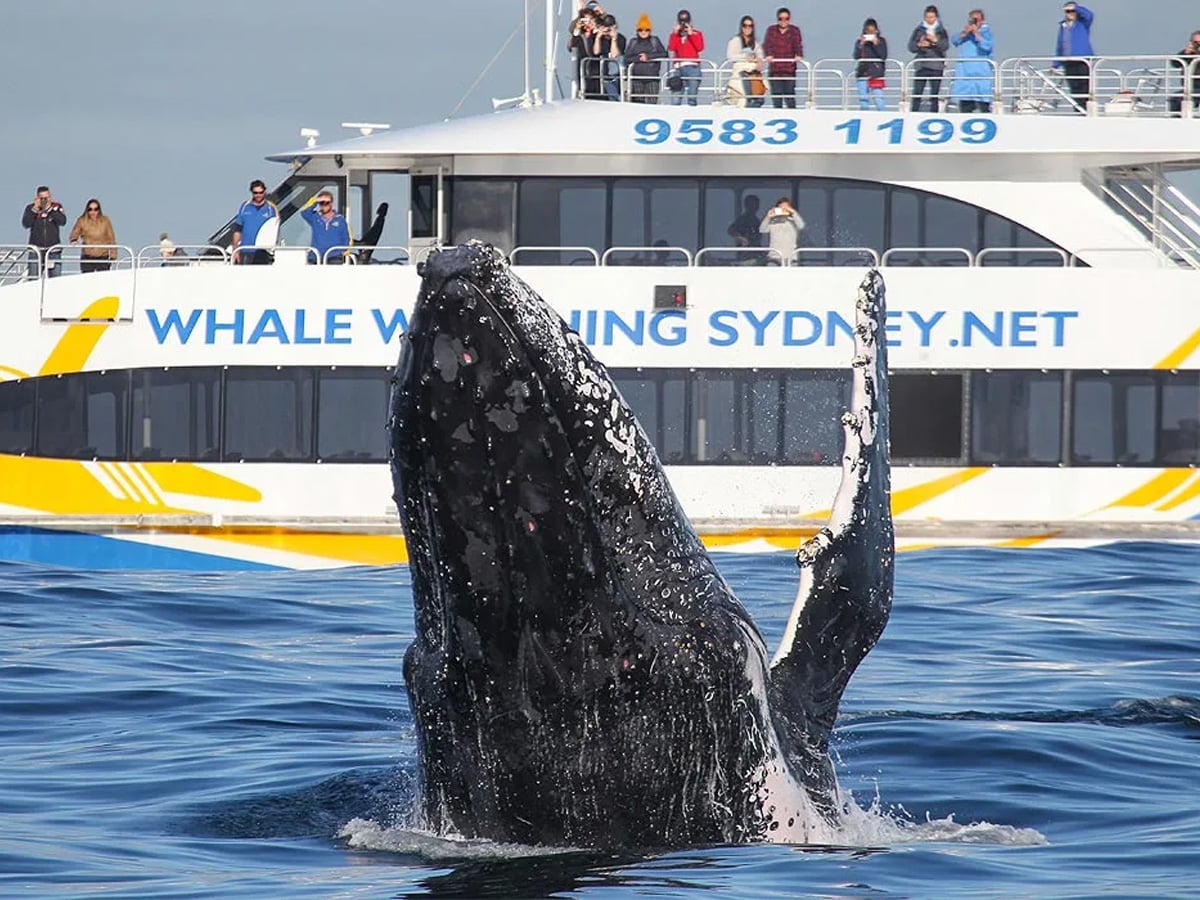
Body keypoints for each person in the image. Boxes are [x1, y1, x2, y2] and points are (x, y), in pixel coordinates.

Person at [950, 9, 994, 113]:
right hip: (965, 74)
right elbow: (954, 41)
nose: (974, 22)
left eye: (976, 20)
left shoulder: (987, 33)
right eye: (972, 20)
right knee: (965, 105)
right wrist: (965, 33)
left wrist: (976, 34)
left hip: (981, 73)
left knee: (983, 105)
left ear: (982, 21)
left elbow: (987, 46)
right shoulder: (966, 34)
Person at [1053, 3, 1095, 113]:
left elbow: (1089, 15)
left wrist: (1076, 7)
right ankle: (1078, 110)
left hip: (1083, 60)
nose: (1070, 13)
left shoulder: (1082, 23)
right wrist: (1056, 63)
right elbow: (1060, 46)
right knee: (1074, 87)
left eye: (1072, 11)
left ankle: (1085, 110)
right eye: (1068, 11)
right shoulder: (1063, 27)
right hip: (1068, 62)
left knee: (1084, 86)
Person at [908, 5, 949, 112]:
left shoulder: (941, 31)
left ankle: (934, 115)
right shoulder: (919, 30)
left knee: (934, 94)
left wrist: (935, 41)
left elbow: (945, 46)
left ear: (936, 17)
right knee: (917, 93)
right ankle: (913, 114)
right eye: (927, 17)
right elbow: (911, 47)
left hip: (936, 66)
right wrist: (919, 45)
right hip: (921, 64)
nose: (929, 19)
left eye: (932, 17)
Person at [21, 186, 67, 278]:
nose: (44, 201)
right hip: (36, 250)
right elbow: (26, 224)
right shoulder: (30, 208)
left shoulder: (56, 207)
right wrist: (35, 209)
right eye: (42, 198)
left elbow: (62, 221)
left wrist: (50, 210)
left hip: (53, 250)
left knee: (55, 280)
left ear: (50, 197)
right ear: (37, 198)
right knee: (33, 279)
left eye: (46, 198)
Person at [762, 8, 804, 109]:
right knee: (777, 97)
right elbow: (767, 44)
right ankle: (777, 116)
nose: (784, 21)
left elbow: (798, 44)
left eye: (786, 18)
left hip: (789, 70)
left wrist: (799, 55)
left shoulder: (794, 30)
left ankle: (793, 116)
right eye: (781, 19)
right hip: (775, 70)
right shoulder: (771, 30)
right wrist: (768, 54)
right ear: (777, 19)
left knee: (789, 96)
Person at [231, 179, 278, 265]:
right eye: (255, 193)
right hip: (245, 249)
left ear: (264, 192)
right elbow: (238, 229)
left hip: (263, 250)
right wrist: (235, 249)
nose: (258, 195)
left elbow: (274, 230)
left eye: (261, 192)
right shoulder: (245, 207)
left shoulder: (271, 208)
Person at [625, 14, 668, 104]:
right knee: (637, 104)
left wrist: (648, 57)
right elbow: (626, 58)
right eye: (640, 30)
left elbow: (664, 54)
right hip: (636, 78)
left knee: (652, 103)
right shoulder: (633, 42)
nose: (643, 32)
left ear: (650, 31)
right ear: (637, 31)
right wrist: (638, 58)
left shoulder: (655, 41)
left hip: (652, 78)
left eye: (646, 30)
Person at [300, 191, 352, 264]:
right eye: (321, 203)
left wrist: (341, 252)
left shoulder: (340, 220)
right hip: (316, 256)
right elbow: (303, 212)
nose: (324, 205)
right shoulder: (315, 217)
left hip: (334, 256)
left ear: (331, 203)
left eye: (327, 203)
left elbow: (347, 238)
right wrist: (315, 200)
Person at [68, 199, 117, 274]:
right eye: (90, 209)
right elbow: (75, 231)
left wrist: (113, 254)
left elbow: (111, 237)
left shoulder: (105, 221)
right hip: (88, 256)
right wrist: (73, 239)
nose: (93, 212)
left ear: (99, 210)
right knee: (87, 280)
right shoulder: (82, 220)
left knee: (102, 280)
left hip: (102, 256)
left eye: (96, 209)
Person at [726, 16, 766, 108]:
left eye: (750, 26)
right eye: (745, 25)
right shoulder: (735, 41)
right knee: (745, 98)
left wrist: (759, 60)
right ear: (741, 27)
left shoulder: (755, 43)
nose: (747, 28)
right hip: (741, 73)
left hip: (753, 73)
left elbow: (760, 55)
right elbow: (730, 56)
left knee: (759, 99)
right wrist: (745, 57)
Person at [668, 9, 704, 107]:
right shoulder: (676, 35)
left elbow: (700, 47)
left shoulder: (697, 33)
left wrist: (691, 34)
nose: (684, 24)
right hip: (678, 68)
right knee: (676, 99)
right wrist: (675, 33)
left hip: (693, 67)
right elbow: (671, 47)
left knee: (692, 97)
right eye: (681, 22)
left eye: (686, 21)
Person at [853, 19, 888, 112]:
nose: (870, 34)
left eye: (872, 31)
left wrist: (876, 44)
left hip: (876, 73)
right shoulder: (859, 42)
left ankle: (883, 116)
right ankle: (864, 117)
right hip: (862, 72)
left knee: (878, 98)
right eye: (868, 31)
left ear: (876, 31)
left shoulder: (882, 41)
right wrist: (860, 45)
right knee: (863, 98)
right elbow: (855, 56)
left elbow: (883, 56)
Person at [759, 197, 804, 266]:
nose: (783, 210)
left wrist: (793, 212)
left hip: (791, 258)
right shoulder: (773, 222)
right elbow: (762, 230)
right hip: (774, 257)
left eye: (786, 207)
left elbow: (801, 225)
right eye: (781, 208)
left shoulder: (794, 222)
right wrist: (768, 217)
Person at [569, 9, 603, 99]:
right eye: (585, 20)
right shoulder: (579, 35)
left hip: (596, 69)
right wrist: (576, 30)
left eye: (590, 19)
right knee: (583, 90)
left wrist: (596, 31)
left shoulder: (597, 34)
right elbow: (571, 47)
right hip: (582, 69)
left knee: (596, 92)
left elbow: (597, 51)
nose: (587, 23)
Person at [592, 13, 626, 100]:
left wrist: (613, 39)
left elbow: (615, 55)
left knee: (614, 96)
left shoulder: (621, 38)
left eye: (609, 26)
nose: (607, 29)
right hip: (602, 73)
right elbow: (596, 51)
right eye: (605, 26)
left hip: (615, 74)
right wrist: (598, 38)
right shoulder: (599, 38)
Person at [1168, 31, 1200, 118]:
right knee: (1176, 99)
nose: (1198, 45)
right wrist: (1185, 53)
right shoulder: (1188, 54)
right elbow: (1175, 63)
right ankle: (1176, 123)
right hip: (1191, 88)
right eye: (1195, 43)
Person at [727, 194, 764, 263]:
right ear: (746, 205)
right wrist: (741, 238)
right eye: (752, 204)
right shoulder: (743, 219)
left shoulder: (756, 220)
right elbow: (731, 230)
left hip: (755, 250)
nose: (755, 207)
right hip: (746, 252)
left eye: (756, 204)